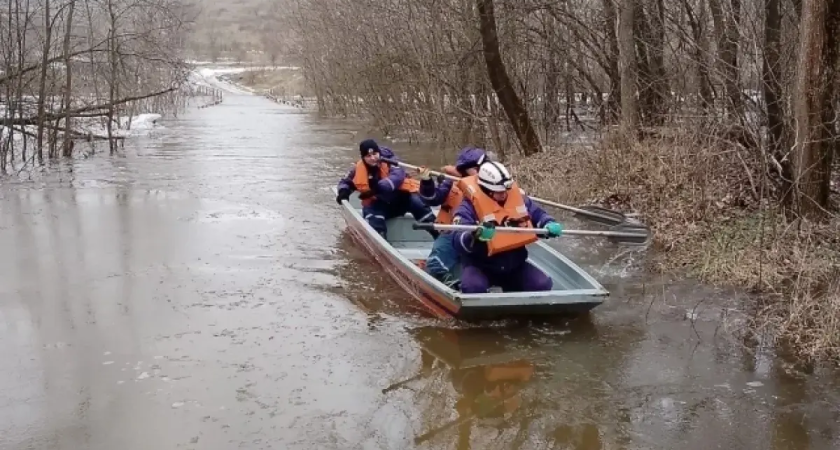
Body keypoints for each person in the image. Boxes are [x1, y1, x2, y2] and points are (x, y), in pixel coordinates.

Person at [451, 160, 564, 293]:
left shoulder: (516, 198)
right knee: (473, 287)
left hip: (514, 265)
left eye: (506, 190)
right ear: (487, 190)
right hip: (481, 266)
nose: (504, 194)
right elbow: (457, 239)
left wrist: (548, 223)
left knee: (542, 285)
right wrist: (475, 235)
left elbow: (538, 214)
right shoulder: (467, 207)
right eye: (499, 192)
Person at [415, 146, 488, 288]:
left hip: (485, 237)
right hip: (453, 233)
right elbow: (432, 199)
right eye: (471, 169)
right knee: (435, 263)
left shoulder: (497, 186)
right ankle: (450, 285)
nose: (476, 173)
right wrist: (427, 182)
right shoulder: (451, 182)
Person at [335, 139, 436, 239]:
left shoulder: (391, 161)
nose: (373, 158)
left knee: (418, 204)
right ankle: (380, 239)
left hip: (402, 199)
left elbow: (397, 176)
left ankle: (437, 233)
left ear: (378, 152)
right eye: (368, 156)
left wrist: (378, 188)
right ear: (363, 158)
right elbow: (345, 182)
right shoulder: (358, 169)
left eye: (375, 154)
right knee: (373, 216)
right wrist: (344, 191)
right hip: (379, 203)